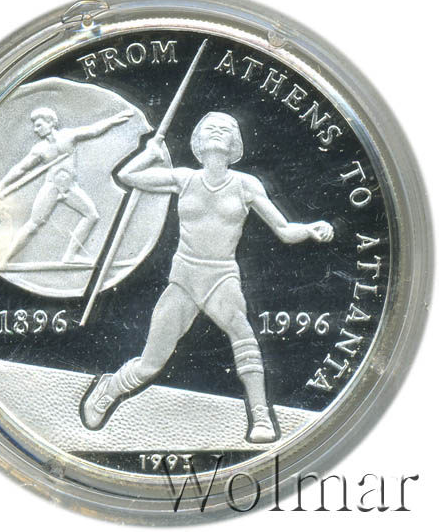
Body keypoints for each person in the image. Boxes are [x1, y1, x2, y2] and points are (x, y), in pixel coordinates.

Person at [82, 111, 334, 443]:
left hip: (221, 277)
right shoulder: (184, 178)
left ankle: (261, 416)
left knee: (243, 338)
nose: (217, 131)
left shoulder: (246, 185)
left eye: (225, 129)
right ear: (198, 141)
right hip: (185, 276)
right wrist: (149, 153)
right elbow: (129, 176)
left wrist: (311, 229)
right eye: (210, 128)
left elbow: (285, 230)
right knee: (151, 362)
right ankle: (109, 389)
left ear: (235, 143)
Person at [0, 107, 133, 267]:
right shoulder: (39, 149)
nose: (35, 130)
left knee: (92, 215)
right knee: (33, 224)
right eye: (35, 126)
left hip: (70, 188)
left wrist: (114, 120)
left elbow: (94, 130)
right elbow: (21, 169)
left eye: (39, 125)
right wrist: (0, 187)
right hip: (51, 188)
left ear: (51, 123)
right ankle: (4, 261)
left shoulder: (68, 136)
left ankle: (70, 256)